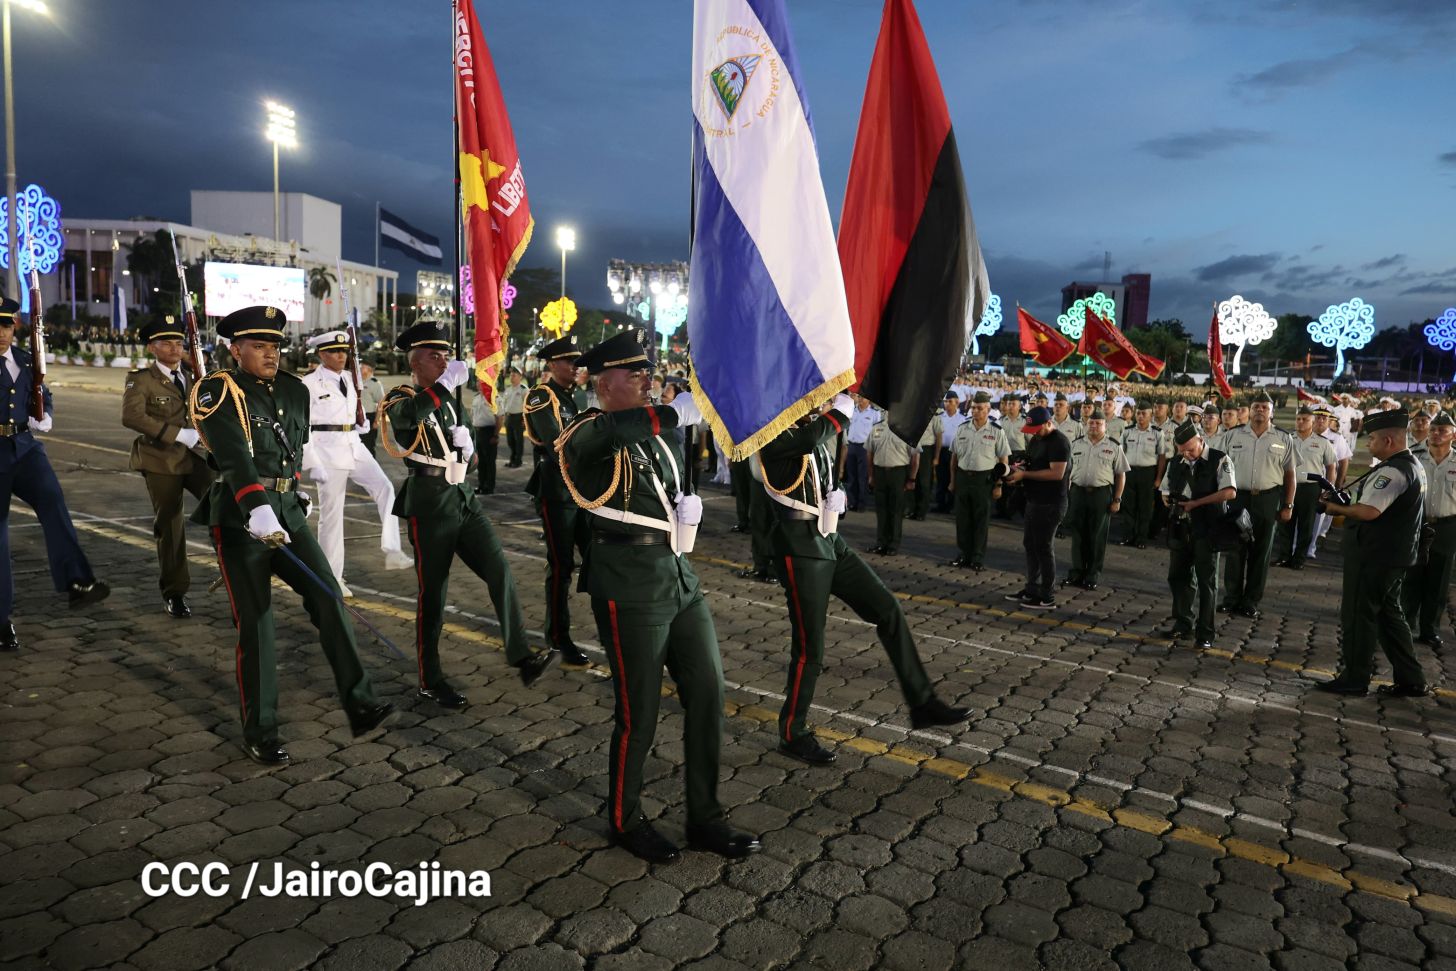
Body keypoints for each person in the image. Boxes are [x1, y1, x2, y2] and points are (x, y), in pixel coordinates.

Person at [557, 329, 759, 864]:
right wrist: (674, 412)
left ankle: (705, 816)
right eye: (636, 373)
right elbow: (608, 437)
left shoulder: (654, 434)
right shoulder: (586, 430)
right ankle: (625, 819)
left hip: (676, 574)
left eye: (648, 372)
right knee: (639, 712)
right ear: (604, 383)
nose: (649, 380)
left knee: (710, 692)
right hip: (627, 580)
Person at [189, 306, 392, 764]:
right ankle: (260, 729)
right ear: (234, 348)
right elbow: (234, 456)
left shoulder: (294, 391)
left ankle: (359, 702)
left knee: (328, 595)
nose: (269, 354)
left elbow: (292, 449)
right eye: (259, 346)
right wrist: (257, 506)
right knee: (258, 624)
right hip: (244, 519)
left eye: (275, 346)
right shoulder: (219, 391)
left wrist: (294, 490)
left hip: (288, 513)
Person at [756, 395, 970, 765]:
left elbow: (817, 454)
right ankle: (792, 732)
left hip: (829, 540)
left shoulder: (810, 428)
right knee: (810, 649)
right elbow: (807, 442)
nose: (813, 399)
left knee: (887, 608)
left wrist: (832, 493)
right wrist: (839, 412)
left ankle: (923, 702)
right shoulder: (770, 432)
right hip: (798, 545)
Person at [379, 321, 554, 709]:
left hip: (463, 498)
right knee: (434, 594)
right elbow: (408, 419)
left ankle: (521, 655)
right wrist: (443, 389)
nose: (443, 362)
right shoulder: (400, 396)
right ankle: (430, 677)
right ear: (415, 362)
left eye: (445, 356)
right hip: (429, 503)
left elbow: (468, 462)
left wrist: (467, 452)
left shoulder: (451, 401)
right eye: (433, 356)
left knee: (499, 570)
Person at [0, 298, 111, 653]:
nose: (0, 333)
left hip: (25, 447)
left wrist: (44, 411)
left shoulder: (26, 359)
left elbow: (42, 394)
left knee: (53, 502)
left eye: (5, 326)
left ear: (14, 326)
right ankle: (1, 620)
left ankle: (77, 581)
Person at [1314, 409, 1429, 697]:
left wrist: (1334, 508)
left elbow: (1368, 511)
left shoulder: (1392, 471)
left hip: (1375, 556)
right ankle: (1411, 679)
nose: (1368, 443)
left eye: (1373, 438)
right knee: (1389, 616)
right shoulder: (1411, 464)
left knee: (1358, 615)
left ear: (1389, 440)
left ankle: (1355, 678)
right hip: (1394, 556)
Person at [299, 331, 412, 595]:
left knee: (386, 489)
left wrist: (361, 423)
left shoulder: (352, 379)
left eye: (345, 352)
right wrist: (311, 460)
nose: (342, 356)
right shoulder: (308, 384)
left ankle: (393, 550)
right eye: (335, 352)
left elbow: (355, 412)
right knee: (331, 517)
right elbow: (301, 425)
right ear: (322, 354)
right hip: (327, 452)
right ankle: (331, 577)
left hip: (354, 445)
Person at [122, 318, 214, 618]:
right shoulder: (141, 380)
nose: (175, 348)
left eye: (179, 343)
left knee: (223, 501)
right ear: (152, 347)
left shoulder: (193, 375)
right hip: (160, 459)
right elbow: (132, 417)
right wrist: (176, 434)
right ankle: (175, 592)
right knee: (171, 525)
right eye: (167, 343)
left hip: (194, 458)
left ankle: (233, 567)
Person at [524, 337, 592, 666]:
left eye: (577, 360)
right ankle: (558, 637)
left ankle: (608, 628)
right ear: (552, 365)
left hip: (580, 492)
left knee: (595, 559)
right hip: (557, 492)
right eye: (568, 361)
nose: (575, 366)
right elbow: (557, 445)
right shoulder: (541, 396)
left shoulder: (572, 397)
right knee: (562, 566)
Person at [1158, 422, 1237, 648]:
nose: (1187, 454)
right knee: (1177, 577)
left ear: (1201, 440)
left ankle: (1205, 633)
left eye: (1190, 449)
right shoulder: (1176, 462)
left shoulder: (1220, 459)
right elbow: (1165, 488)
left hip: (1208, 528)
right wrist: (1169, 499)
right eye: (1182, 450)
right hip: (1181, 528)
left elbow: (1230, 492)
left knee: (1206, 582)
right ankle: (1183, 623)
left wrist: (1196, 503)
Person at [1219, 391, 1295, 619]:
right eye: (1256, 406)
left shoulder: (1283, 438)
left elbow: (1290, 475)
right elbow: (1221, 467)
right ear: (1249, 410)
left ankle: (1250, 601)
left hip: (1267, 499)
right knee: (1234, 550)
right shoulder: (1233, 436)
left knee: (1261, 553)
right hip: (1238, 498)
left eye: (1265, 406)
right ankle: (1231, 598)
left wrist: (1288, 505)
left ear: (1272, 411)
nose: (1260, 410)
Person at [1004, 406, 1070, 610]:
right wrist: (1019, 469)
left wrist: (1025, 475)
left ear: (1049, 423)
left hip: (1051, 502)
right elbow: (1033, 463)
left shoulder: (1059, 442)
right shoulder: (1036, 439)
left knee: (1044, 547)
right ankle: (1032, 588)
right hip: (1034, 499)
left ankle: (1047, 594)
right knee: (1030, 545)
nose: (1034, 433)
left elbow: (1056, 473)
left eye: (1037, 429)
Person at [1404, 412, 1456, 648]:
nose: (1436, 433)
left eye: (1442, 430)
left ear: (1453, 435)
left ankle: (1430, 629)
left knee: (1439, 579)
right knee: (1411, 575)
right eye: (1434, 429)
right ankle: (1405, 624)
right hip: (1417, 523)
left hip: (1447, 526)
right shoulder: (1413, 456)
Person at [1062, 409, 1129, 590]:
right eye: (1091, 423)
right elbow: (1067, 472)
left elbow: (1121, 474)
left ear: (1105, 426)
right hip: (1077, 492)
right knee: (1078, 535)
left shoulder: (1114, 446)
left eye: (1098, 423)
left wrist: (1117, 499)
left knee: (1097, 536)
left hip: (1101, 494)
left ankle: (1092, 574)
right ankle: (1076, 572)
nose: (1094, 426)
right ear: (1086, 424)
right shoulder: (1075, 444)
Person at [947, 391, 1008, 570]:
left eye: (979, 408)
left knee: (980, 520)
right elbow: (954, 459)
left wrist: (998, 485)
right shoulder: (962, 428)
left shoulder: (996, 431)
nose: (975, 411)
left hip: (984, 479)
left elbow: (1003, 461)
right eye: (973, 408)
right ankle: (963, 554)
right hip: (964, 477)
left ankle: (977, 557)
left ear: (988, 409)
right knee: (963, 519)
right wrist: (952, 481)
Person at [1274, 405, 1336, 570]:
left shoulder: (1322, 443)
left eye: (1305, 419)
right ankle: (1283, 556)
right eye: (1298, 419)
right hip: (1287, 486)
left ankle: (1299, 559)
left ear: (1313, 421)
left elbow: (1331, 467)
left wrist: (1327, 491)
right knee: (1285, 523)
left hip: (1310, 489)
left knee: (1306, 525)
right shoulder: (1286, 438)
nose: (1300, 422)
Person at [866, 412, 917, 555]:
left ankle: (893, 544)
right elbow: (869, 453)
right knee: (881, 509)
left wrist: (911, 479)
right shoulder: (876, 428)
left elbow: (915, 458)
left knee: (896, 509)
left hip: (898, 473)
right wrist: (871, 476)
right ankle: (881, 542)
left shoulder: (908, 429)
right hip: (880, 471)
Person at [1119, 404, 1162, 548]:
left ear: (1151, 416)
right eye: (1138, 413)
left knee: (1145, 508)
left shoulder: (1157, 433)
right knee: (1128, 506)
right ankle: (1128, 537)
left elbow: (1161, 457)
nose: (1140, 416)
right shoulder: (1127, 431)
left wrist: (1158, 478)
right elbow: (1121, 454)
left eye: (1144, 413)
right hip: (1129, 472)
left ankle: (1141, 539)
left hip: (1148, 473)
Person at [930, 392, 967, 514]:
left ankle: (951, 504)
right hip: (941, 450)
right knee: (941, 478)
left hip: (955, 452)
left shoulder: (962, 419)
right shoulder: (940, 417)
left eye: (950, 401)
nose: (947, 404)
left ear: (957, 402)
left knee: (953, 478)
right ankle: (940, 504)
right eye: (945, 401)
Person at [843, 395, 879, 513]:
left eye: (863, 398)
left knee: (862, 477)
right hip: (852, 445)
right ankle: (852, 502)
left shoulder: (875, 414)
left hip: (865, 448)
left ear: (869, 400)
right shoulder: (852, 411)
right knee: (851, 476)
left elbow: (877, 433)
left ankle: (861, 504)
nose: (860, 399)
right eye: (859, 397)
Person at [470, 373, 500, 495]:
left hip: (489, 432)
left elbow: (500, 417)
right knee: (480, 462)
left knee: (489, 462)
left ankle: (489, 486)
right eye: (477, 381)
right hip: (478, 432)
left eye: (480, 381)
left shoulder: (494, 398)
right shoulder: (476, 398)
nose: (478, 383)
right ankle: (481, 484)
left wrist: (496, 435)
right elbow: (473, 416)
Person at [498, 368, 529, 467]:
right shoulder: (508, 389)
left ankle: (517, 460)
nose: (511, 377)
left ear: (520, 377)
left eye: (514, 375)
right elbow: (504, 404)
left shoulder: (524, 390)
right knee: (510, 440)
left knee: (518, 440)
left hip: (518, 417)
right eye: (511, 375)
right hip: (509, 417)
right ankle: (512, 459)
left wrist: (525, 419)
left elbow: (527, 406)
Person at [357, 363, 387, 456]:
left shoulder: (375, 383)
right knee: (357, 444)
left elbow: (381, 403)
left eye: (362, 367)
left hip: (369, 417)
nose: (360, 368)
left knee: (369, 446)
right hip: (356, 417)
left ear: (369, 369)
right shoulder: (358, 381)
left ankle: (370, 468)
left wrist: (376, 421)